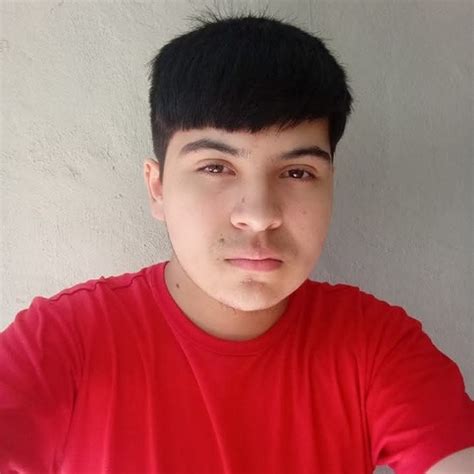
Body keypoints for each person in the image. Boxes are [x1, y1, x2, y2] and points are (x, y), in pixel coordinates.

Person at [1, 9, 473, 474]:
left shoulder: (375, 346)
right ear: (157, 187)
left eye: (297, 172)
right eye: (216, 167)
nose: (260, 215)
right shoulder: (60, 344)